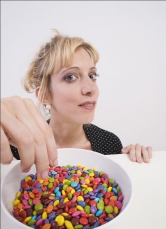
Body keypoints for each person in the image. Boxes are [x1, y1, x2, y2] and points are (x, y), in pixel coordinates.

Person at [1, 30, 152, 179]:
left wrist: (134, 162)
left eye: (92, 75)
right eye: (71, 77)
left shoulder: (110, 143)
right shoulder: (17, 144)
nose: (91, 88)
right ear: (45, 95)